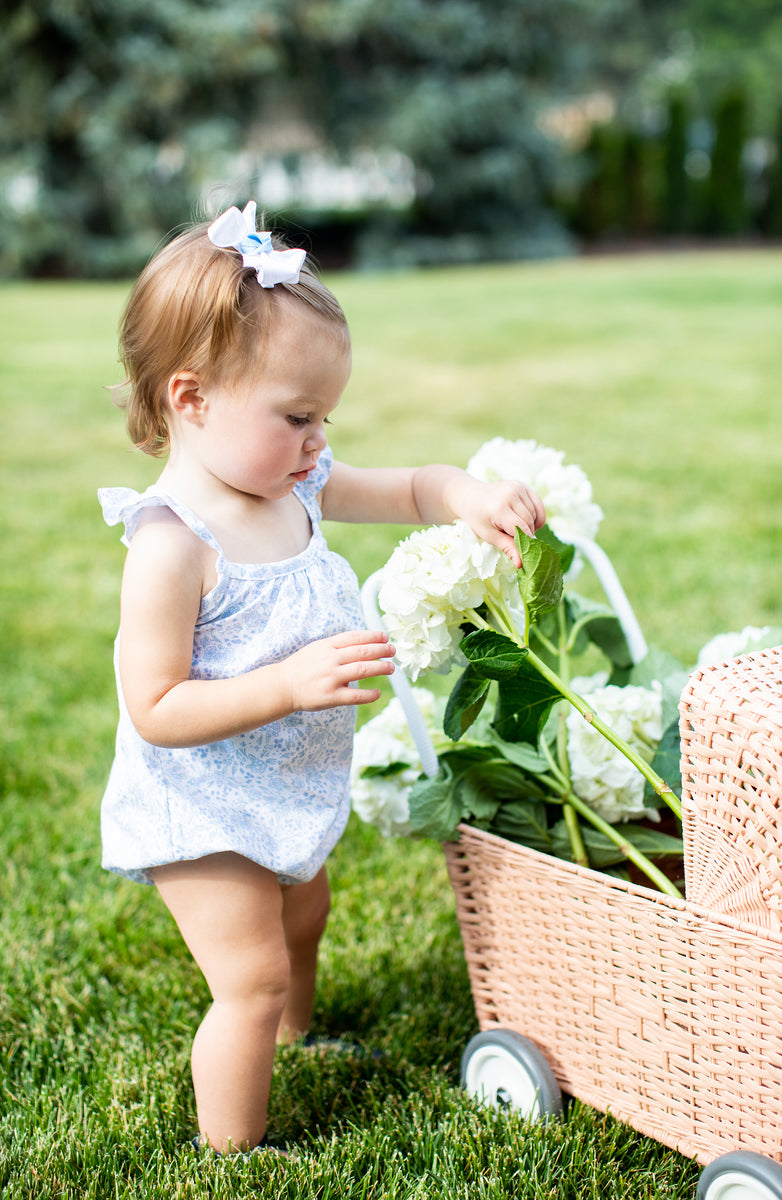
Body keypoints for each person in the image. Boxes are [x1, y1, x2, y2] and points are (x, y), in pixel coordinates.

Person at [98, 201, 546, 1157]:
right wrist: (289, 684)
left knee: (307, 911)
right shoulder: (173, 544)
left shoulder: (291, 482)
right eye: (298, 417)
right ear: (191, 399)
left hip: (283, 785)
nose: (317, 441)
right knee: (248, 976)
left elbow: (411, 488)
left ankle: (297, 1035)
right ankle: (234, 1148)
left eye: (325, 418)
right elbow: (156, 708)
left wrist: (464, 492)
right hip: (201, 801)